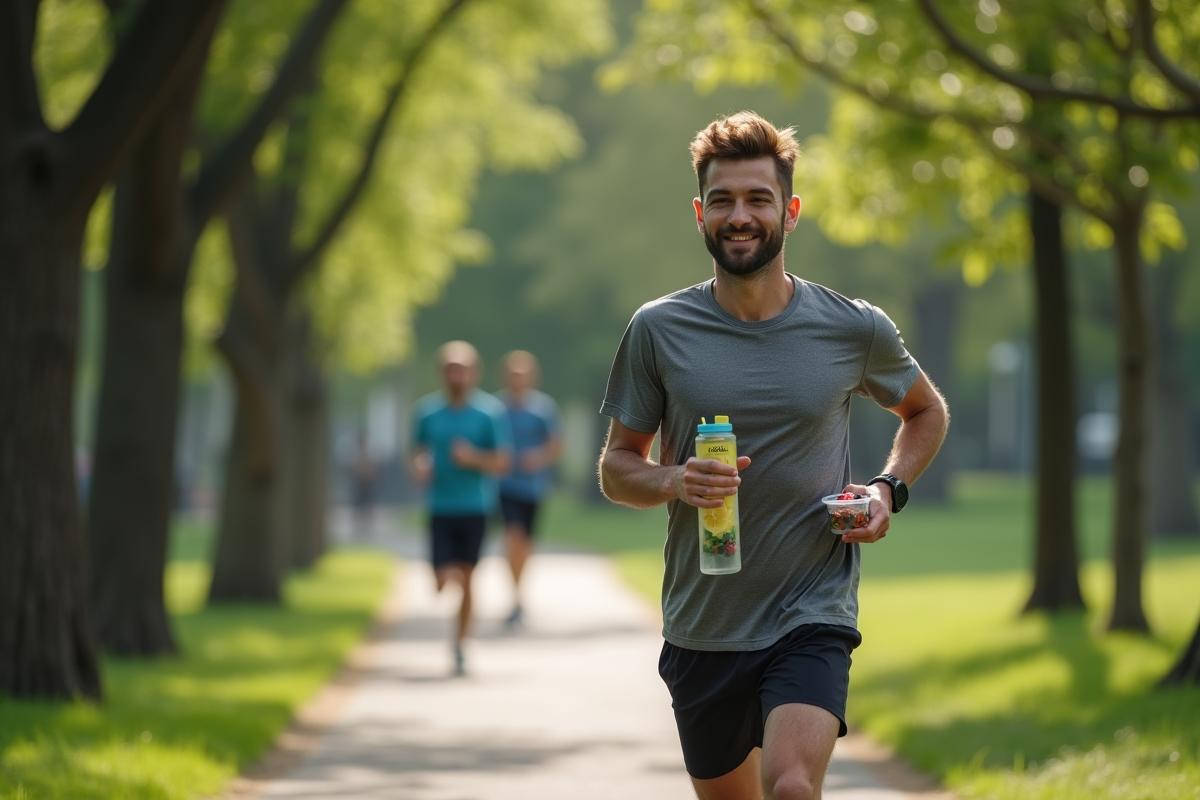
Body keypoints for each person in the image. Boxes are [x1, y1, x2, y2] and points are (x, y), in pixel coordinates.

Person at [597, 111, 949, 800]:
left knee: (790, 787)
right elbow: (617, 467)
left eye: (758, 198)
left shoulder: (852, 327)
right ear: (700, 213)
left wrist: (887, 489)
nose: (740, 216)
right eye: (723, 200)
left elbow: (925, 411)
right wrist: (673, 479)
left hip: (812, 612)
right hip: (705, 624)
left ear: (790, 211)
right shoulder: (658, 329)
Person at [411, 340, 512, 676]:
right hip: (440, 506)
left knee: (468, 577)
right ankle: (449, 575)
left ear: (474, 372)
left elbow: (502, 461)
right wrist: (420, 465)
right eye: (451, 369)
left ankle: (460, 643)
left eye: (463, 369)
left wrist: (473, 458)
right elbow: (416, 451)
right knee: (442, 580)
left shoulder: (489, 412)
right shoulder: (426, 412)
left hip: (475, 506)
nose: (457, 376)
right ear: (442, 373)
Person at [495, 350, 562, 627]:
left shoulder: (543, 409)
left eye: (522, 375)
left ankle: (519, 593)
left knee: (525, 545)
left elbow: (556, 446)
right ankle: (514, 597)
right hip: (504, 486)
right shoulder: (496, 408)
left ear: (532, 377)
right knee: (513, 536)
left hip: (533, 488)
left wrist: (536, 458)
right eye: (513, 375)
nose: (517, 380)